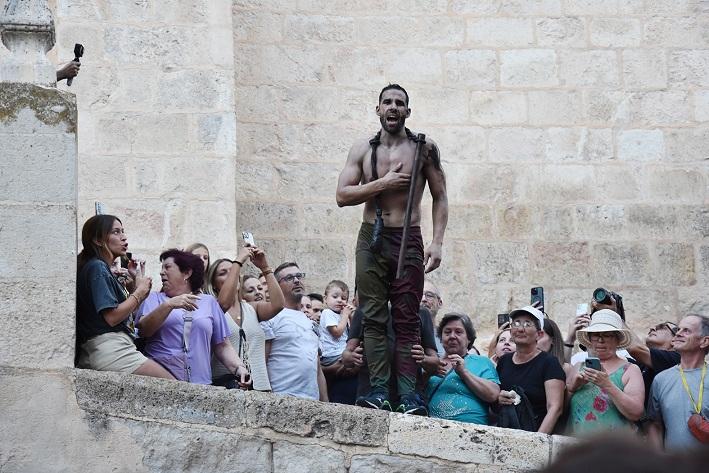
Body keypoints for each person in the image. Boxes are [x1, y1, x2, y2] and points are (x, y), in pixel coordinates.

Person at [336, 83, 448, 414]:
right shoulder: (361, 149)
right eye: (387, 102)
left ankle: (410, 395)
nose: (393, 107)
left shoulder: (424, 148)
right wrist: (382, 184)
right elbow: (342, 195)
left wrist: (437, 241)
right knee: (372, 316)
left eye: (400, 103)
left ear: (408, 112)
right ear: (378, 109)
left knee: (407, 318)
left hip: (408, 236)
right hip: (372, 235)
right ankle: (379, 390)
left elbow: (440, 195)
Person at [76, 215, 173, 379]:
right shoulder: (98, 267)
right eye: (116, 232)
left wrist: (135, 286)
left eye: (123, 231)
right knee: (173, 387)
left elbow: (125, 314)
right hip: (112, 350)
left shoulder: (98, 267)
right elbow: (112, 317)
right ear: (98, 240)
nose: (123, 237)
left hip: (108, 350)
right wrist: (139, 292)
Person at [135, 249, 249, 386]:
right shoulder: (154, 299)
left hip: (201, 384)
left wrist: (239, 368)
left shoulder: (209, 302)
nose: (161, 272)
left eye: (167, 267)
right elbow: (143, 330)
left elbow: (222, 346)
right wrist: (168, 305)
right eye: (161, 268)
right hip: (161, 383)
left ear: (187, 273)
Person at [205, 246, 284, 391]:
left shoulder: (252, 308)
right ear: (214, 284)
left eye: (234, 271)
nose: (232, 275)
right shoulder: (213, 309)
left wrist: (265, 267)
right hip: (227, 386)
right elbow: (223, 303)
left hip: (261, 386)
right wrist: (238, 261)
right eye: (224, 273)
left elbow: (278, 305)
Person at [566, 310, 645, 436]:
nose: (600, 340)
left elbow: (636, 412)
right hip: (577, 447)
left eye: (607, 335)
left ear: (618, 340)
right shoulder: (578, 366)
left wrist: (607, 384)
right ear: (590, 339)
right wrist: (572, 388)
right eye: (595, 335)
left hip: (614, 448)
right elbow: (560, 410)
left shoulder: (630, 370)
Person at [261, 263, 327, 401]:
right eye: (289, 278)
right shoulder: (271, 316)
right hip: (281, 397)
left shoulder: (311, 322)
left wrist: (325, 402)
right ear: (278, 285)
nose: (297, 280)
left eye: (299, 276)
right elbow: (262, 359)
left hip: (312, 401)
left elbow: (317, 369)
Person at [496, 306, 565, 433]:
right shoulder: (504, 361)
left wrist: (537, 441)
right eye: (516, 323)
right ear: (511, 331)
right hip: (505, 434)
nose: (521, 329)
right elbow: (495, 400)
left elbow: (555, 408)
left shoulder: (549, 363)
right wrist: (499, 399)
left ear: (539, 334)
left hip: (536, 435)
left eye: (528, 324)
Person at [648, 310, 709, 449]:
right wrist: (658, 461)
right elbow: (654, 425)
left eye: (686, 330)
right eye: (678, 329)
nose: (678, 333)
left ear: (704, 341)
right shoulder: (660, 379)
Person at [425, 313, 500, 425]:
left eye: (458, 332)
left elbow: (493, 395)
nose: (452, 336)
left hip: (472, 428)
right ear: (440, 339)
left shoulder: (482, 362)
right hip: (432, 428)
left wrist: (464, 372)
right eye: (447, 332)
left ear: (469, 339)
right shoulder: (433, 363)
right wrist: (427, 373)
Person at [319, 280, 354, 367]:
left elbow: (352, 333)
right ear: (325, 299)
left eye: (343, 298)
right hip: (331, 355)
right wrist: (345, 316)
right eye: (335, 297)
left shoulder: (341, 315)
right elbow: (337, 333)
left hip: (341, 353)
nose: (339, 300)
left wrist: (350, 316)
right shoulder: (327, 313)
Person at [421, 280, 444, 356]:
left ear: (439, 303)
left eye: (429, 295)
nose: (423, 299)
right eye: (419, 294)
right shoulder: (403, 333)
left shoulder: (447, 337)